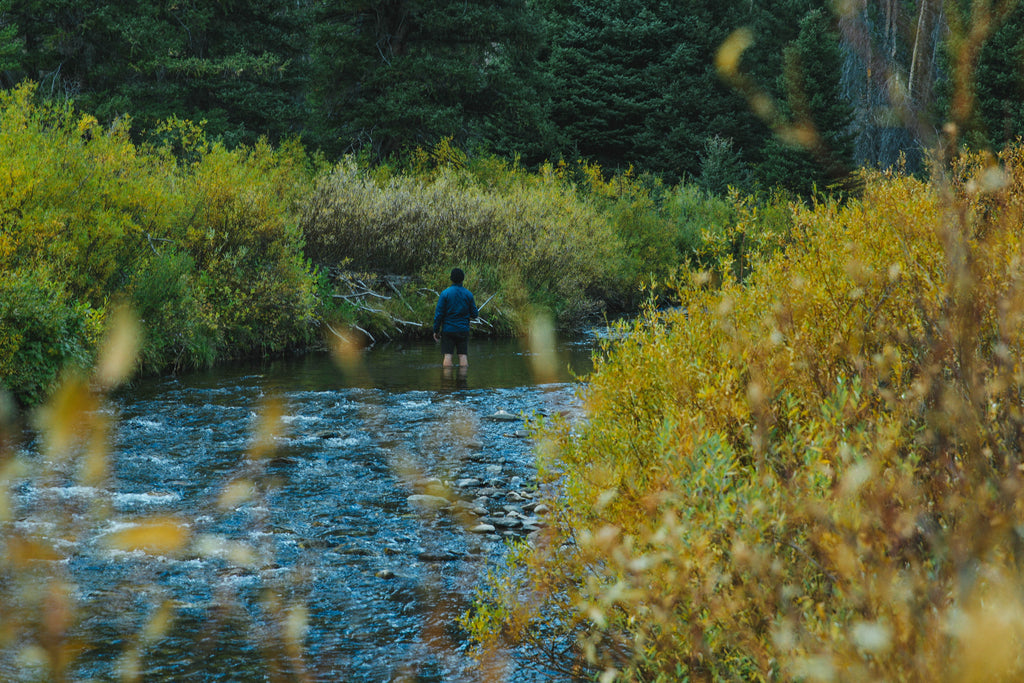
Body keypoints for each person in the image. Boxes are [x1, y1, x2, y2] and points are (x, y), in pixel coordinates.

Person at [433, 267, 478, 368]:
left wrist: (436, 330)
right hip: (463, 330)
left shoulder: (445, 294)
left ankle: (447, 382)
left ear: (451, 279)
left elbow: (439, 314)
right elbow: (475, 314)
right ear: (462, 279)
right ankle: (462, 381)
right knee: (463, 356)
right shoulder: (468, 294)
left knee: (448, 355)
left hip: (448, 330)